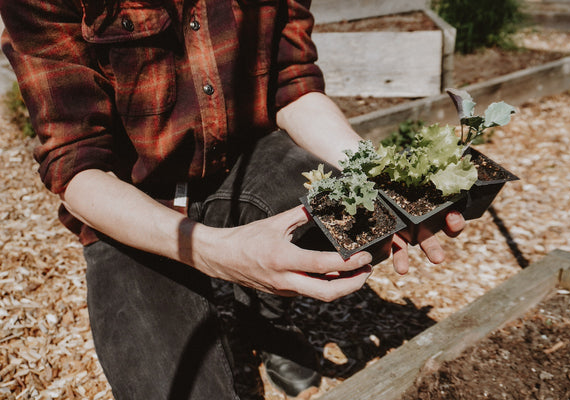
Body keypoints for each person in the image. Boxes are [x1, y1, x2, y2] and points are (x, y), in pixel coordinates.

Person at [0, 0, 465, 399]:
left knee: (361, 217)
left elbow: (293, 84)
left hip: (245, 160)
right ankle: (242, 288)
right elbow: (77, 168)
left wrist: (380, 178)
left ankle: (266, 321)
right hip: (134, 200)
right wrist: (218, 255)